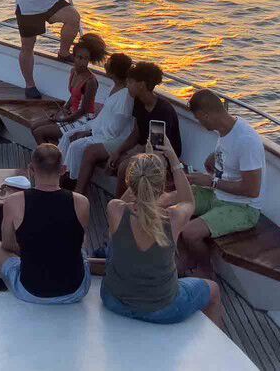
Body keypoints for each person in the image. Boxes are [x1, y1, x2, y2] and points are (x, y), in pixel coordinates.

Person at [101, 143, 224, 329]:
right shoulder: (173, 217)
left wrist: (143, 172)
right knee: (213, 290)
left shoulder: (115, 209)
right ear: (162, 186)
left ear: (131, 182)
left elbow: (126, 198)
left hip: (114, 300)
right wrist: (173, 159)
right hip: (162, 309)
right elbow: (188, 201)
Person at [0, 144, 91, 305]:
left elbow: (7, 244)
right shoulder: (82, 202)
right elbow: (80, 241)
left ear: (31, 169)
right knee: (80, 245)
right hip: (76, 291)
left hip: (31, 291)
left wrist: (35, 248)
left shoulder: (14, 201)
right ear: (63, 169)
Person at [180, 89, 266, 279]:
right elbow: (228, 152)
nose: (199, 124)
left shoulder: (246, 140)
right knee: (177, 200)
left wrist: (212, 182)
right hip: (218, 195)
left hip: (243, 207)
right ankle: (185, 261)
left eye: (199, 119)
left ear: (206, 115)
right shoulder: (227, 130)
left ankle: (206, 273)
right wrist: (213, 158)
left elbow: (252, 190)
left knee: (190, 233)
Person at [105, 62, 182, 196]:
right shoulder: (139, 102)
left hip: (163, 156)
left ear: (141, 85)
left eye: (130, 82)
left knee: (124, 167)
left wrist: (131, 155)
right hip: (145, 149)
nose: (127, 85)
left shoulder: (162, 111)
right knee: (114, 161)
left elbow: (156, 145)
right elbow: (136, 133)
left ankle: (119, 204)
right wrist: (118, 151)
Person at [69, 53, 135, 193]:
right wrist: (89, 130)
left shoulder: (125, 97)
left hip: (116, 137)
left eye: (108, 64)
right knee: (71, 136)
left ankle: (77, 190)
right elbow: (105, 118)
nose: (105, 65)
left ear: (114, 71)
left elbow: (115, 129)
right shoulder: (114, 87)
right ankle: (66, 179)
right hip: (102, 130)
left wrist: (90, 133)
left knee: (79, 147)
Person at [29, 34, 106, 146]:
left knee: (39, 132)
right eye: (79, 57)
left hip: (83, 119)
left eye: (86, 59)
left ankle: (49, 155)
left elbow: (84, 110)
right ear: (74, 57)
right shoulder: (73, 71)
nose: (82, 62)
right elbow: (74, 96)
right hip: (72, 113)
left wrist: (62, 119)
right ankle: (51, 151)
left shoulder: (90, 81)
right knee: (34, 126)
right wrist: (63, 110)